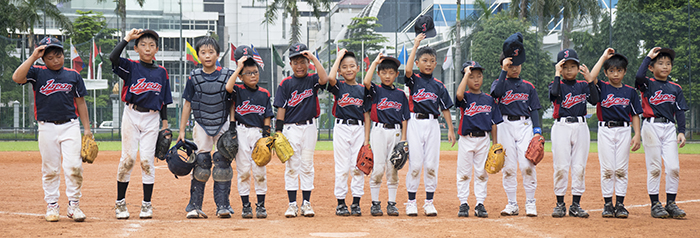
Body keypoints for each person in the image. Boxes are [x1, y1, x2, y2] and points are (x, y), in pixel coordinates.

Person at [12, 37, 91, 222]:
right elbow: (17, 77)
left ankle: (73, 205)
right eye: (50, 57)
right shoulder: (37, 72)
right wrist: (33, 57)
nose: (56, 60)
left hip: (70, 125)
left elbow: (81, 103)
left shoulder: (73, 75)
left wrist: (87, 129)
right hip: (46, 127)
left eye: (59, 55)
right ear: (43, 59)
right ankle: (52, 205)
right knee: (50, 169)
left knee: (74, 166)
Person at [110, 28, 173, 219]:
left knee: (147, 161)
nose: (147, 48)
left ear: (157, 49)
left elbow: (163, 100)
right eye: (143, 45)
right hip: (131, 115)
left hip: (152, 119)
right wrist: (126, 38)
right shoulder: (131, 66)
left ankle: (147, 205)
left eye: (151, 45)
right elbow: (113, 58)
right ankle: (120, 203)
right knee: (128, 160)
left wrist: (165, 125)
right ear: (136, 48)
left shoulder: (162, 72)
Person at [177, 37, 236, 219]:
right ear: (198, 55)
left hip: (222, 122)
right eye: (203, 52)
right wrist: (181, 132)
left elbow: (232, 102)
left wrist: (232, 126)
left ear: (218, 55)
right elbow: (187, 105)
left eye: (211, 52)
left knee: (222, 162)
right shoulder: (194, 77)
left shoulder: (227, 75)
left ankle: (223, 205)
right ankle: (194, 206)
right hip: (201, 123)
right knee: (202, 162)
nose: (207, 56)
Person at [585, 48, 642, 218]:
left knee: (621, 169)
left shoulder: (630, 92)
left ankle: (621, 205)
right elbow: (590, 77)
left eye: (619, 70)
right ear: (605, 72)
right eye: (611, 70)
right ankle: (608, 204)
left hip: (624, 130)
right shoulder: (602, 87)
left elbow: (635, 114)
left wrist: (637, 134)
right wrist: (603, 57)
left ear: (624, 71)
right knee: (608, 169)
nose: (615, 74)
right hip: (605, 130)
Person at [273, 43, 329, 217]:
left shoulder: (312, 80)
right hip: (291, 129)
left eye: (303, 61)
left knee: (307, 165)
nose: (299, 66)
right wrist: (279, 131)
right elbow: (281, 107)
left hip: (310, 127)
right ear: (290, 64)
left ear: (308, 63)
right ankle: (292, 204)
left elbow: (324, 79)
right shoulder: (286, 84)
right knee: (291, 166)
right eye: (295, 62)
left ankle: (306, 203)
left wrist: (313, 58)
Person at [403, 33, 456, 216]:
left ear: (435, 64)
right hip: (415, 123)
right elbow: (407, 71)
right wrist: (416, 45)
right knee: (416, 164)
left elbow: (446, 108)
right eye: (424, 60)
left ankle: (429, 202)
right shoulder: (414, 80)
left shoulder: (439, 86)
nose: (428, 63)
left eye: (431, 61)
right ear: (418, 62)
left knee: (432, 165)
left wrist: (450, 129)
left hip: (433, 124)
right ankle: (411, 202)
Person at [490, 32, 542, 217]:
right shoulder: (498, 82)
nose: (515, 68)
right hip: (505, 126)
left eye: (517, 65)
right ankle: (512, 203)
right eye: (511, 65)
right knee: (509, 167)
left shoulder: (528, 86)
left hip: (524, 126)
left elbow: (535, 109)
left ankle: (530, 202)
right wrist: (503, 71)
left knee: (527, 165)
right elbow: (496, 94)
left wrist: (537, 131)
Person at [635, 47, 688, 219]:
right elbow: (638, 77)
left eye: (668, 63)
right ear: (651, 67)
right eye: (660, 63)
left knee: (673, 167)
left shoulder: (675, 88)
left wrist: (681, 131)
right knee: (655, 167)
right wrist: (648, 57)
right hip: (651, 127)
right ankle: (655, 204)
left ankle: (671, 203)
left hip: (669, 128)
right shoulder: (647, 84)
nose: (665, 66)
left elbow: (679, 111)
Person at [548, 49, 599, 218]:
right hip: (562, 127)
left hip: (581, 126)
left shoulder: (583, 85)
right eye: (565, 66)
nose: (569, 70)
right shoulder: (556, 84)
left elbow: (595, 100)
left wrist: (590, 81)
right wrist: (556, 75)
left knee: (579, 166)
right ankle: (560, 204)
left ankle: (576, 205)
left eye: (573, 66)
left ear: (578, 68)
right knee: (561, 166)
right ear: (560, 69)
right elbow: (554, 94)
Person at [225, 45, 274, 219]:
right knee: (244, 170)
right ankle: (246, 205)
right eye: (249, 73)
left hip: (258, 134)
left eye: (255, 72)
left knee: (260, 170)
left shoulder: (264, 93)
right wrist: (239, 67)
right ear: (241, 76)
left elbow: (268, 114)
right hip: (241, 132)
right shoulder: (238, 90)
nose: (253, 75)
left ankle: (260, 205)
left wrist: (267, 136)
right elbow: (228, 88)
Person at [454, 61, 502, 218]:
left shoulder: (489, 99)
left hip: (483, 140)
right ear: (466, 79)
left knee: (482, 173)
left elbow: (494, 123)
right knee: (464, 173)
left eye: (479, 76)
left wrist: (495, 145)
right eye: (471, 76)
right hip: (466, 139)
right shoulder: (465, 97)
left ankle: (480, 203)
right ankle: (463, 203)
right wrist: (466, 74)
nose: (476, 80)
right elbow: (458, 95)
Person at [363, 53, 409, 216]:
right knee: (378, 168)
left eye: (391, 72)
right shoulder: (376, 90)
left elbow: (405, 118)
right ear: (379, 74)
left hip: (395, 132)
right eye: (384, 72)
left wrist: (404, 139)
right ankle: (375, 203)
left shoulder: (400, 95)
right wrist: (375, 62)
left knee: (393, 168)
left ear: (397, 74)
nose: (387, 76)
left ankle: (391, 203)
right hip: (379, 131)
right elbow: (366, 82)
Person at [327, 49, 369, 216]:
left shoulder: (363, 89)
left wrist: (367, 139)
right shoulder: (339, 86)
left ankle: (356, 203)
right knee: (342, 167)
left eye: (352, 66)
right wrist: (338, 58)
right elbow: (330, 78)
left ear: (358, 68)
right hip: (342, 128)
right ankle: (341, 203)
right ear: (340, 70)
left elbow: (366, 115)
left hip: (359, 129)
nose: (349, 69)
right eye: (344, 67)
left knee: (358, 167)